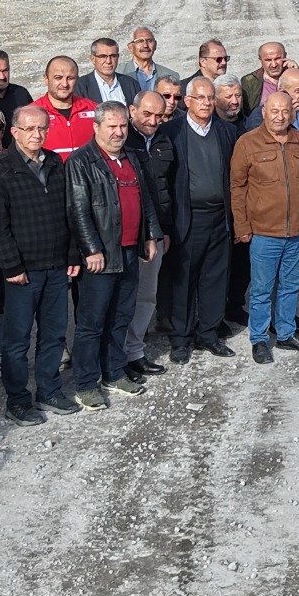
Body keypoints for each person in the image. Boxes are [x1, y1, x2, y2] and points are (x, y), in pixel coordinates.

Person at [0, 104, 81, 423]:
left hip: (55, 267)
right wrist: (12, 267)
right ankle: (18, 400)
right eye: (29, 129)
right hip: (22, 273)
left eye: (42, 128)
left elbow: (68, 213)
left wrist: (72, 254)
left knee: (53, 334)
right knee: (16, 341)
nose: (37, 134)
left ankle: (49, 391)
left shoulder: (55, 162)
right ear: (14, 132)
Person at [67, 105, 161, 407]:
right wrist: (90, 248)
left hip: (130, 249)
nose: (119, 132)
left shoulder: (132, 156)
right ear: (96, 128)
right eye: (112, 127)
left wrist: (150, 235)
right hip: (102, 254)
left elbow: (145, 200)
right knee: (92, 321)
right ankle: (85, 382)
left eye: (122, 126)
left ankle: (113, 371)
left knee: (121, 315)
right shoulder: (82, 161)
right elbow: (78, 209)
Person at [233, 85, 299, 363]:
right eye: (274, 111)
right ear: (264, 112)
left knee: (290, 286)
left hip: (296, 231)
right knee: (261, 290)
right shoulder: (248, 143)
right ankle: (259, 339)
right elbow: (237, 187)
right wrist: (242, 227)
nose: (280, 117)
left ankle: (285, 333)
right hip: (264, 233)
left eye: (285, 111)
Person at [160, 77, 237, 362]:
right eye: (200, 98)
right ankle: (181, 338)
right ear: (188, 101)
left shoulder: (226, 131)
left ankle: (209, 333)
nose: (205, 103)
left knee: (214, 277)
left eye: (209, 98)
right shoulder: (171, 131)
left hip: (220, 217)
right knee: (184, 279)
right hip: (188, 217)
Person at [119, 90, 179, 379]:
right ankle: (115, 357)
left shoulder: (165, 139)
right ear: (132, 110)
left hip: (155, 233)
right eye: (147, 114)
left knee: (146, 297)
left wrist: (163, 230)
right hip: (127, 235)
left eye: (159, 115)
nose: (153, 121)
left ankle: (134, 352)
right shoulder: (121, 140)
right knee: (122, 299)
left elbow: (166, 190)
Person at [32, 55, 99, 155]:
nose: (64, 84)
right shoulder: (32, 112)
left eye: (70, 78)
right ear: (46, 79)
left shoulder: (94, 109)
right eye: (58, 78)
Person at [76, 37, 143, 106]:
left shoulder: (131, 84)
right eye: (103, 56)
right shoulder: (80, 86)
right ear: (93, 59)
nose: (108, 61)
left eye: (113, 56)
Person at [238, 41, 289, 112]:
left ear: (285, 56)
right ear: (260, 60)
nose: (274, 65)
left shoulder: (294, 78)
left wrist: (298, 72)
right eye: (268, 60)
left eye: (277, 58)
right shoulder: (249, 82)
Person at [124, 26, 167, 91]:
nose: (145, 45)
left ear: (155, 45)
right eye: (140, 41)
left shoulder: (170, 75)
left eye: (149, 41)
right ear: (130, 47)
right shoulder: (118, 73)